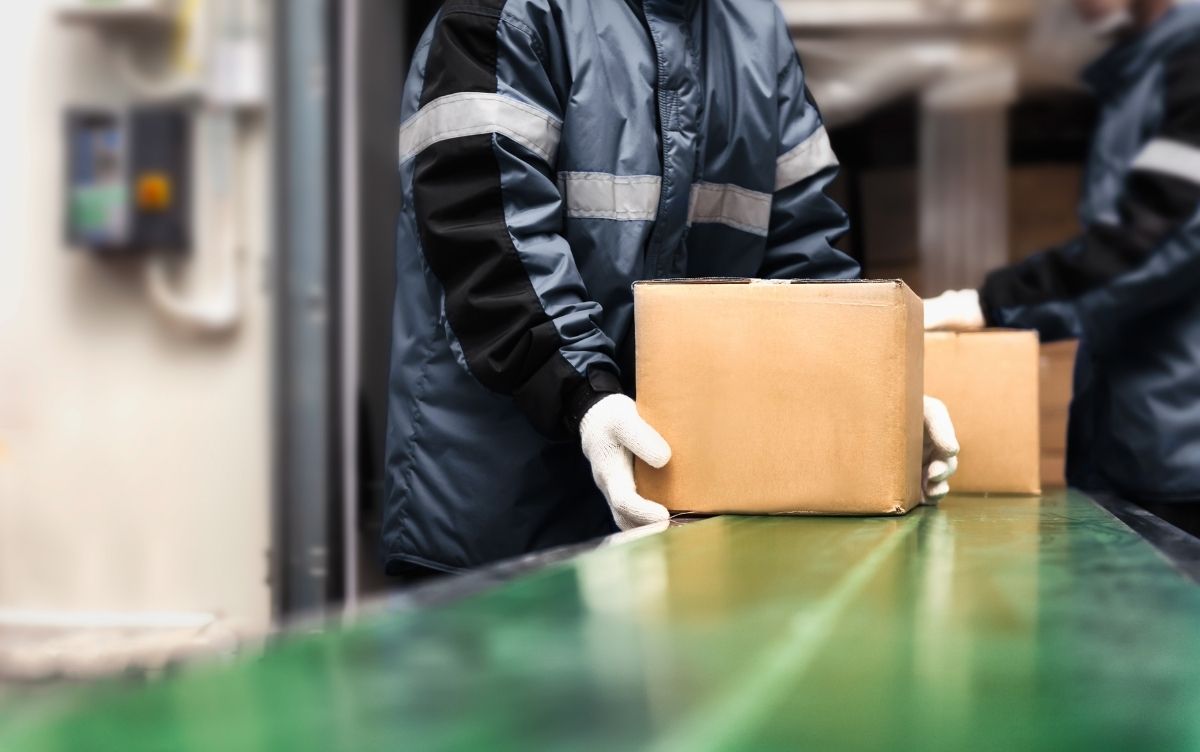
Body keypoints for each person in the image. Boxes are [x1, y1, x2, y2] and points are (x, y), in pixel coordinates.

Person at [385, 0, 959, 576]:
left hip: (674, 528)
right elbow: (486, 228)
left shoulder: (755, 32)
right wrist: (584, 395)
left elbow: (802, 251)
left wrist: (873, 391)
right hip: (495, 524)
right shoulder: (512, 12)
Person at [925, 0, 1200, 525]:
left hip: (1182, 458)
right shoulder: (1138, 74)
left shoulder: (1191, 62)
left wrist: (989, 303)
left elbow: (1155, 241)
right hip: (1129, 443)